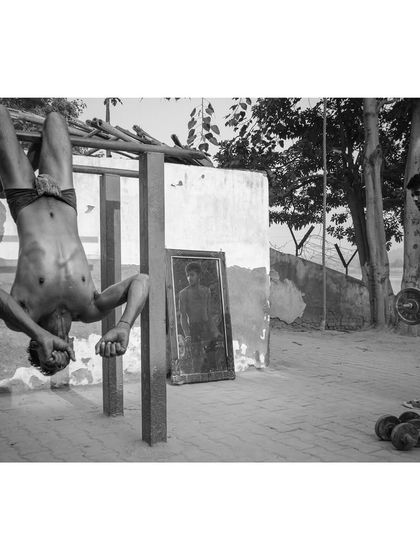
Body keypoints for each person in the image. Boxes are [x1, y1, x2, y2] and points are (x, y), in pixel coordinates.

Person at [0, 105, 149, 376]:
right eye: (62, 360)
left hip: (23, 198)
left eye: (48, 358)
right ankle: (35, 154)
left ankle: (29, 159)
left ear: (37, 346)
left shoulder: (25, 315)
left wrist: (37, 332)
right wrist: (125, 324)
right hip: (62, 195)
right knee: (55, 119)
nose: (57, 357)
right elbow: (142, 281)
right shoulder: (90, 309)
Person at [178, 261, 220, 372]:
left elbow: (209, 313)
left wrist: (215, 331)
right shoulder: (183, 293)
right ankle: (196, 377)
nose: (189, 278)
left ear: (199, 276)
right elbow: (182, 316)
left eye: (192, 275)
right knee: (196, 359)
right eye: (187, 275)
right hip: (194, 328)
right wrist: (187, 335)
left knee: (212, 357)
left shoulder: (206, 291)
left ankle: (212, 377)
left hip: (206, 328)